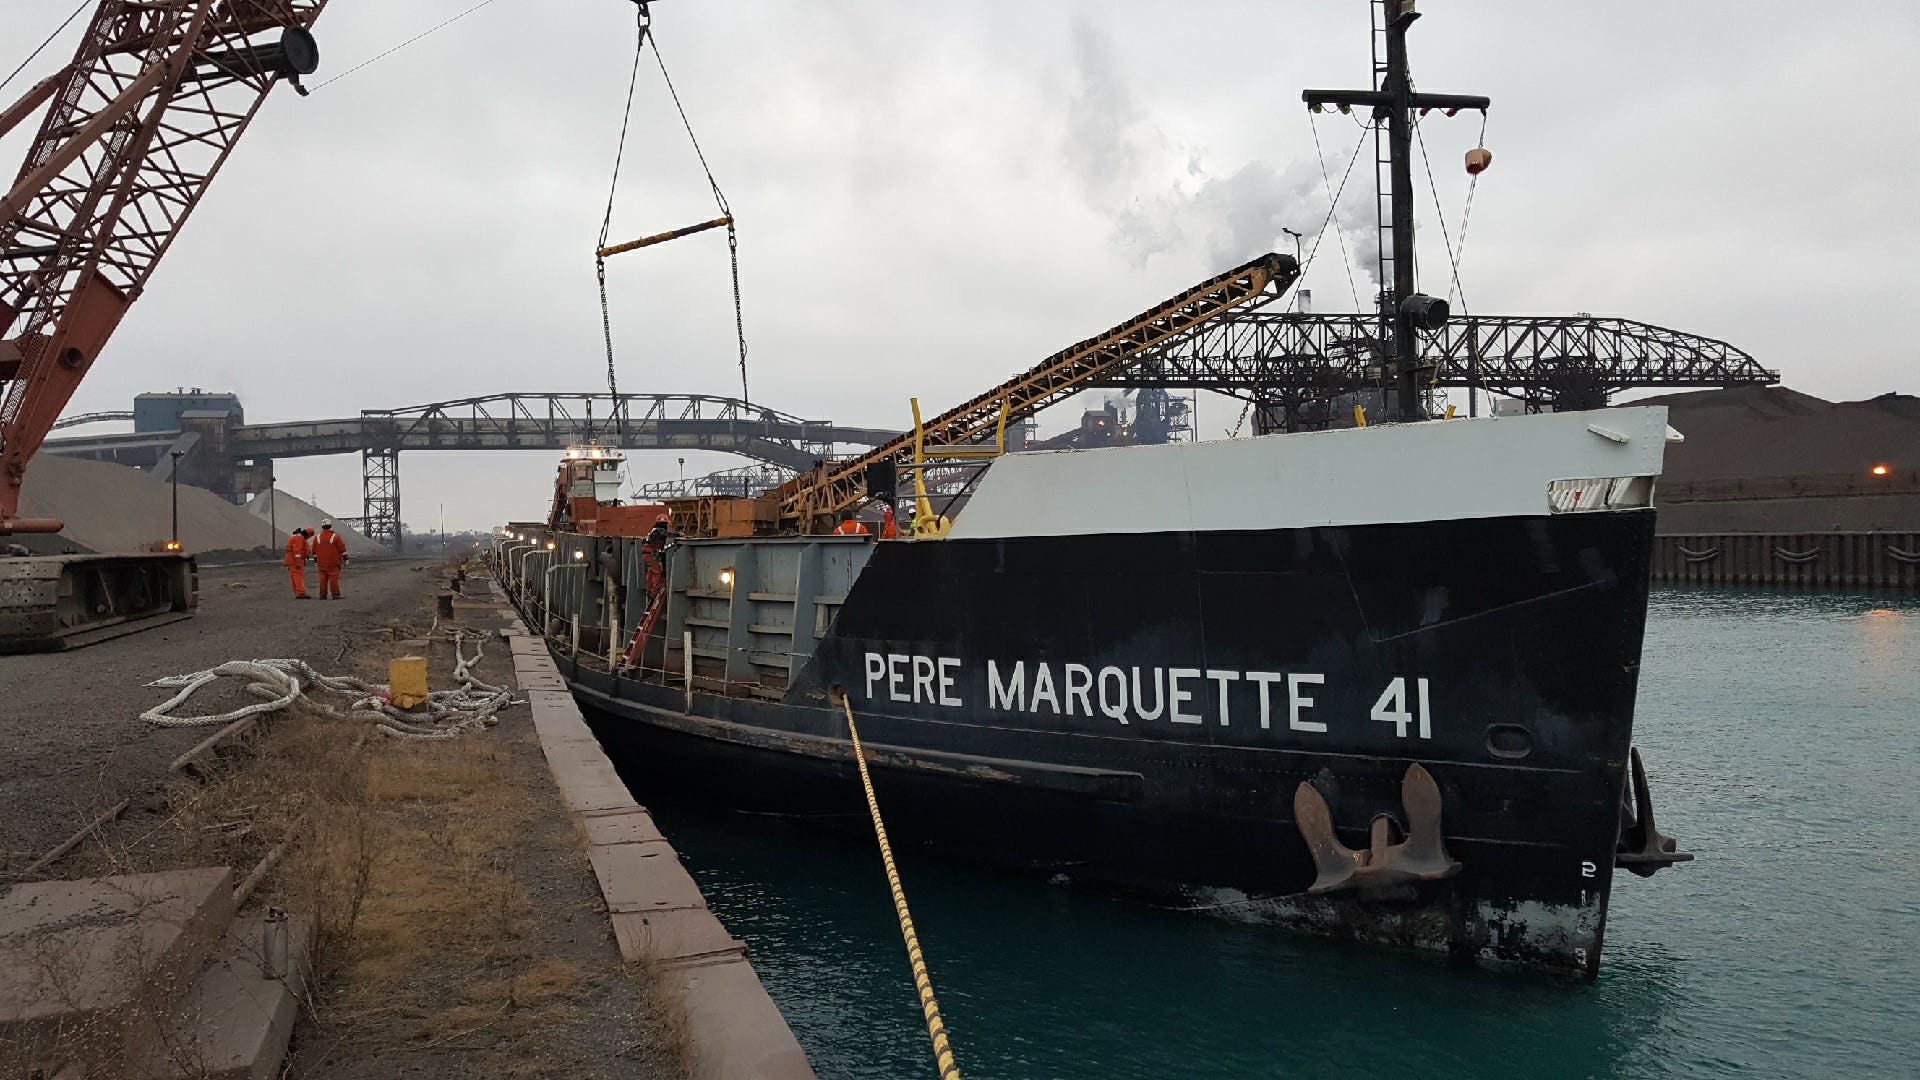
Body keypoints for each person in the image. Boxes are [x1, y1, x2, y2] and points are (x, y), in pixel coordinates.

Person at [313, 520, 348, 599]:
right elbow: (342, 549)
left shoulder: (317, 537)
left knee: (322, 579)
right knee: (333, 578)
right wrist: (346, 558)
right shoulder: (335, 537)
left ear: (322, 527)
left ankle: (322, 595)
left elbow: (314, 551)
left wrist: (316, 561)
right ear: (330, 526)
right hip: (333, 562)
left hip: (321, 562)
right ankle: (335, 595)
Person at [284, 526, 312, 599]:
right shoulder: (299, 538)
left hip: (291, 560)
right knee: (297, 576)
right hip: (295, 561)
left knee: (294, 576)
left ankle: (298, 592)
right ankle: (300, 593)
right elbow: (297, 551)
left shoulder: (296, 537)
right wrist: (298, 563)